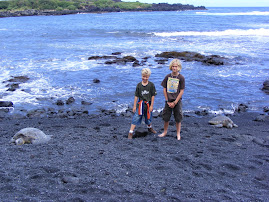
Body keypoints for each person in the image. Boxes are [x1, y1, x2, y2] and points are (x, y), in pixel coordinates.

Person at [159, 59, 185, 140]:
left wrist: (175, 102)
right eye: (173, 66)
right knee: (166, 117)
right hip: (168, 101)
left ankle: (178, 134)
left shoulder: (181, 77)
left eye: (176, 66)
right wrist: (167, 101)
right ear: (171, 67)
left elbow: (181, 91)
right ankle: (165, 132)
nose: (174, 68)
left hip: (177, 101)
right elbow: (164, 89)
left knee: (178, 118)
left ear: (178, 67)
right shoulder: (168, 76)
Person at [128, 68, 157, 139]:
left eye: (146, 77)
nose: (145, 78)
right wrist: (134, 106)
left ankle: (150, 128)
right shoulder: (139, 85)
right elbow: (136, 96)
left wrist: (151, 106)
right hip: (140, 104)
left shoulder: (151, 85)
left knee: (148, 118)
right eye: (143, 76)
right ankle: (130, 132)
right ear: (141, 76)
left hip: (148, 104)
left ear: (149, 76)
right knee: (136, 117)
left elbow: (153, 96)